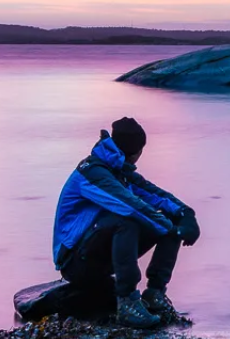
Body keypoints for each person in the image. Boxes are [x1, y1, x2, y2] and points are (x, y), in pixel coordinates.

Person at [51, 116, 200, 327]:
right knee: (128, 220)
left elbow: (156, 194)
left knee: (168, 220)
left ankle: (155, 294)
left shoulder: (119, 171)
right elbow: (130, 206)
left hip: (100, 254)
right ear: (136, 152)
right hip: (74, 262)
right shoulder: (92, 172)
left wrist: (186, 214)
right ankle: (127, 302)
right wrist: (170, 229)